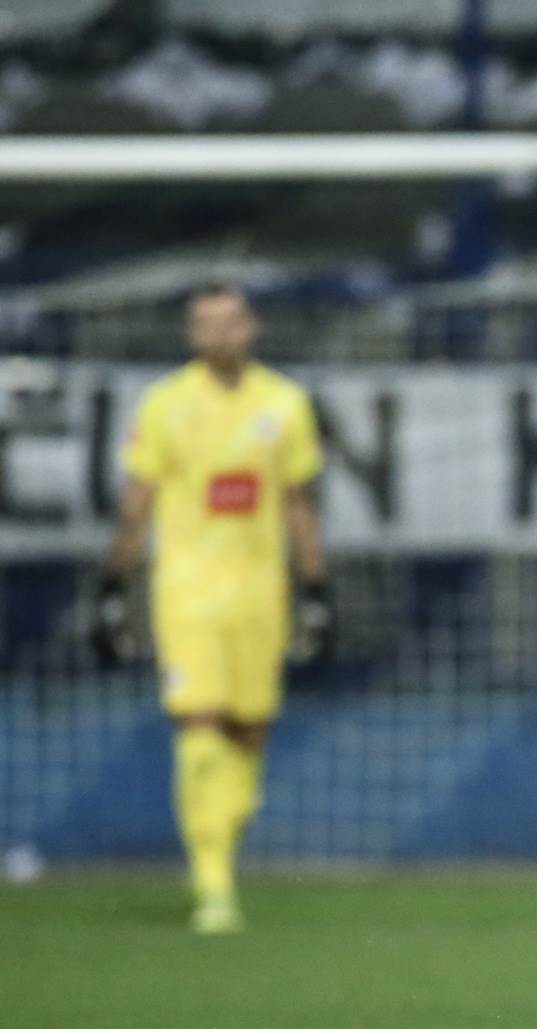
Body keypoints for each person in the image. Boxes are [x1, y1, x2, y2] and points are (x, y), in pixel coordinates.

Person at [94, 283, 333, 935]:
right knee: (199, 725)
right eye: (204, 323)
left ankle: (221, 846)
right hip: (186, 592)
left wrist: (316, 591)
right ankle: (213, 883)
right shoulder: (166, 404)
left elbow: (298, 503)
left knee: (249, 732)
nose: (217, 333)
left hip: (261, 594)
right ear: (191, 333)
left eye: (228, 321)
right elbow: (138, 499)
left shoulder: (284, 404)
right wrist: (113, 586)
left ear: (250, 327)